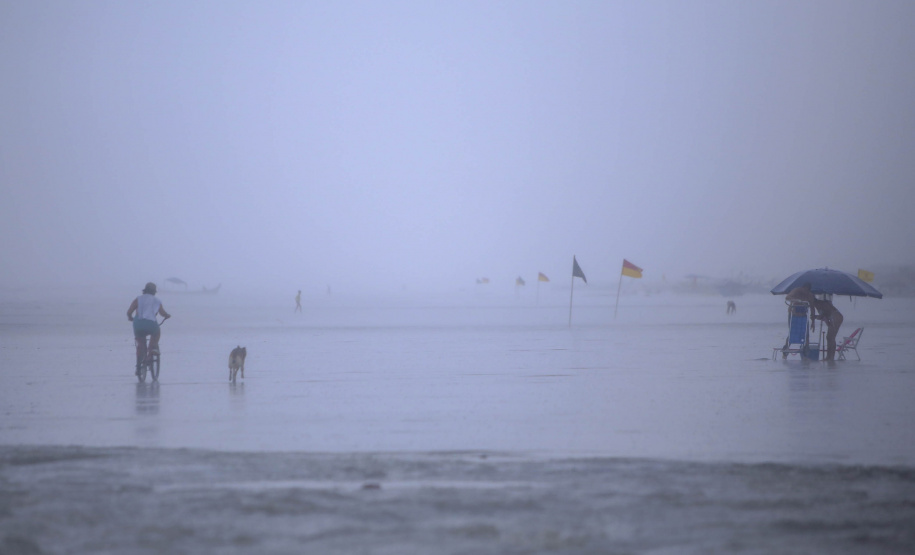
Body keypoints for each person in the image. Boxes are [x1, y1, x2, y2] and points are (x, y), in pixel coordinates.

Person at [127, 282, 170, 374]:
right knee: (156, 332)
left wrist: (130, 318)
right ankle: (152, 350)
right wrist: (167, 315)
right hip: (151, 324)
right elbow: (162, 313)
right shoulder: (157, 301)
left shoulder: (138, 299)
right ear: (154, 291)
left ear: (145, 290)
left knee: (140, 344)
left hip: (138, 324)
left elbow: (129, 311)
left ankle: (138, 366)